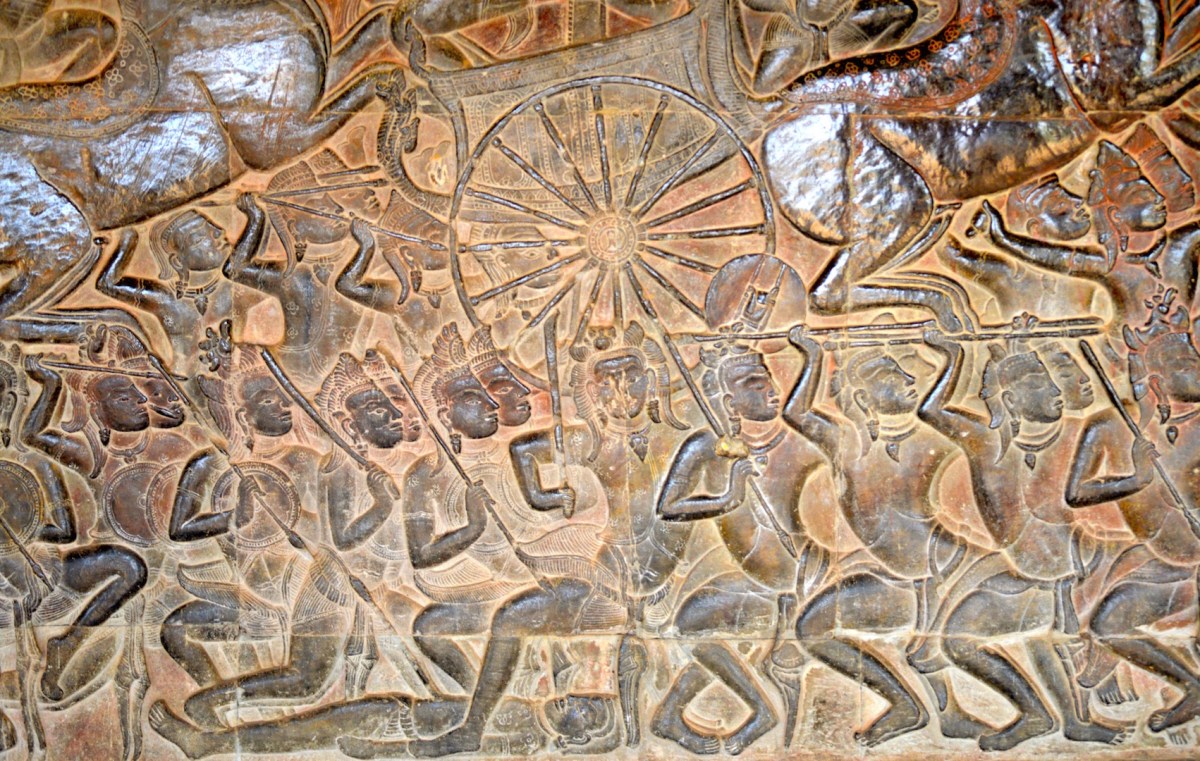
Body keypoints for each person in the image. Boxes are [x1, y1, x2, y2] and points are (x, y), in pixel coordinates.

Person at [917, 322, 1131, 751]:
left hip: (1077, 575)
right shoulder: (987, 445)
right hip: (1025, 575)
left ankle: (1073, 718)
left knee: (1039, 635)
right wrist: (954, 354)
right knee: (960, 640)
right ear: (1012, 400)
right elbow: (932, 410)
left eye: (1049, 380)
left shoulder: (1077, 435)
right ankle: (1039, 714)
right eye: (1038, 383)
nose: (1053, 390)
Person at [783, 327, 989, 747]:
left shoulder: (933, 442)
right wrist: (812, 355)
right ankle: (905, 705)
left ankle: (954, 712)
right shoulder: (848, 445)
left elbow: (969, 515)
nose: (909, 381)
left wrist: (953, 356)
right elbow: (798, 413)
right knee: (811, 628)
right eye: (893, 378)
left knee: (933, 646)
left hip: (950, 570)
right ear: (864, 399)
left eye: (905, 375)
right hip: (893, 577)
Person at [652, 336, 827, 754]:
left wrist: (813, 358)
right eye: (755, 384)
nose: (771, 390)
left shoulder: (794, 441)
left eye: (769, 380)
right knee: (696, 621)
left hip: (799, 578)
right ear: (729, 403)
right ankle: (683, 714)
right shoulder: (706, 446)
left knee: (695, 624)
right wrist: (727, 498)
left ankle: (758, 712)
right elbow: (668, 507)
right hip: (761, 578)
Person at [1065, 289, 1200, 734]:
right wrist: (1136, 479)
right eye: (1184, 364)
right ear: (1155, 381)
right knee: (1108, 624)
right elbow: (1075, 494)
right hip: (1167, 565)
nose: (1197, 368)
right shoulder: (1110, 427)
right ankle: (1192, 687)